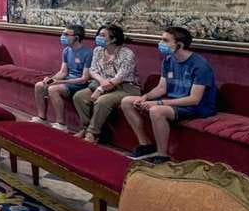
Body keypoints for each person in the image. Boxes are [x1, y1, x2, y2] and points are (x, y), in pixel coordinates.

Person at [120, 27, 217, 163]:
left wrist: (158, 103)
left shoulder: (200, 65)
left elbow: (194, 99)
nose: (161, 43)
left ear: (179, 45)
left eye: (165, 40)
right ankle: (145, 144)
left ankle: (162, 154)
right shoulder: (168, 60)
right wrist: (145, 97)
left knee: (156, 111)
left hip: (197, 107)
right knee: (126, 102)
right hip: (174, 100)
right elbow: (162, 88)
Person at [72, 25, 140, 144]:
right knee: (79, 96)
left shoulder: (127, 54)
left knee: (102, 101)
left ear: (113, 39)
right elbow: (93, 70)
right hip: (103, 85)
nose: (98, 37)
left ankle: (93, 133)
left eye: (103, 35)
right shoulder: (98, 50)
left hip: (125, 87)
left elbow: (119, 78)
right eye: (99, 34)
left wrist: (100, 89)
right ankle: (86, 128)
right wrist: (101, 82)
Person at [31, 24, 93, 131]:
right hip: (67, 80)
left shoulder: (88, 53)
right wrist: (51, 79)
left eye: (66, 34)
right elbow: (63, 72)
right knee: (40, 85)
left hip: (79, 84)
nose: (63, 37)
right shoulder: (67, 50)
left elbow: (84, 79)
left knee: (53, 89)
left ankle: (61, 124)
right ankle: (42, 118)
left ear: (76, 37)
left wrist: (58, 82)